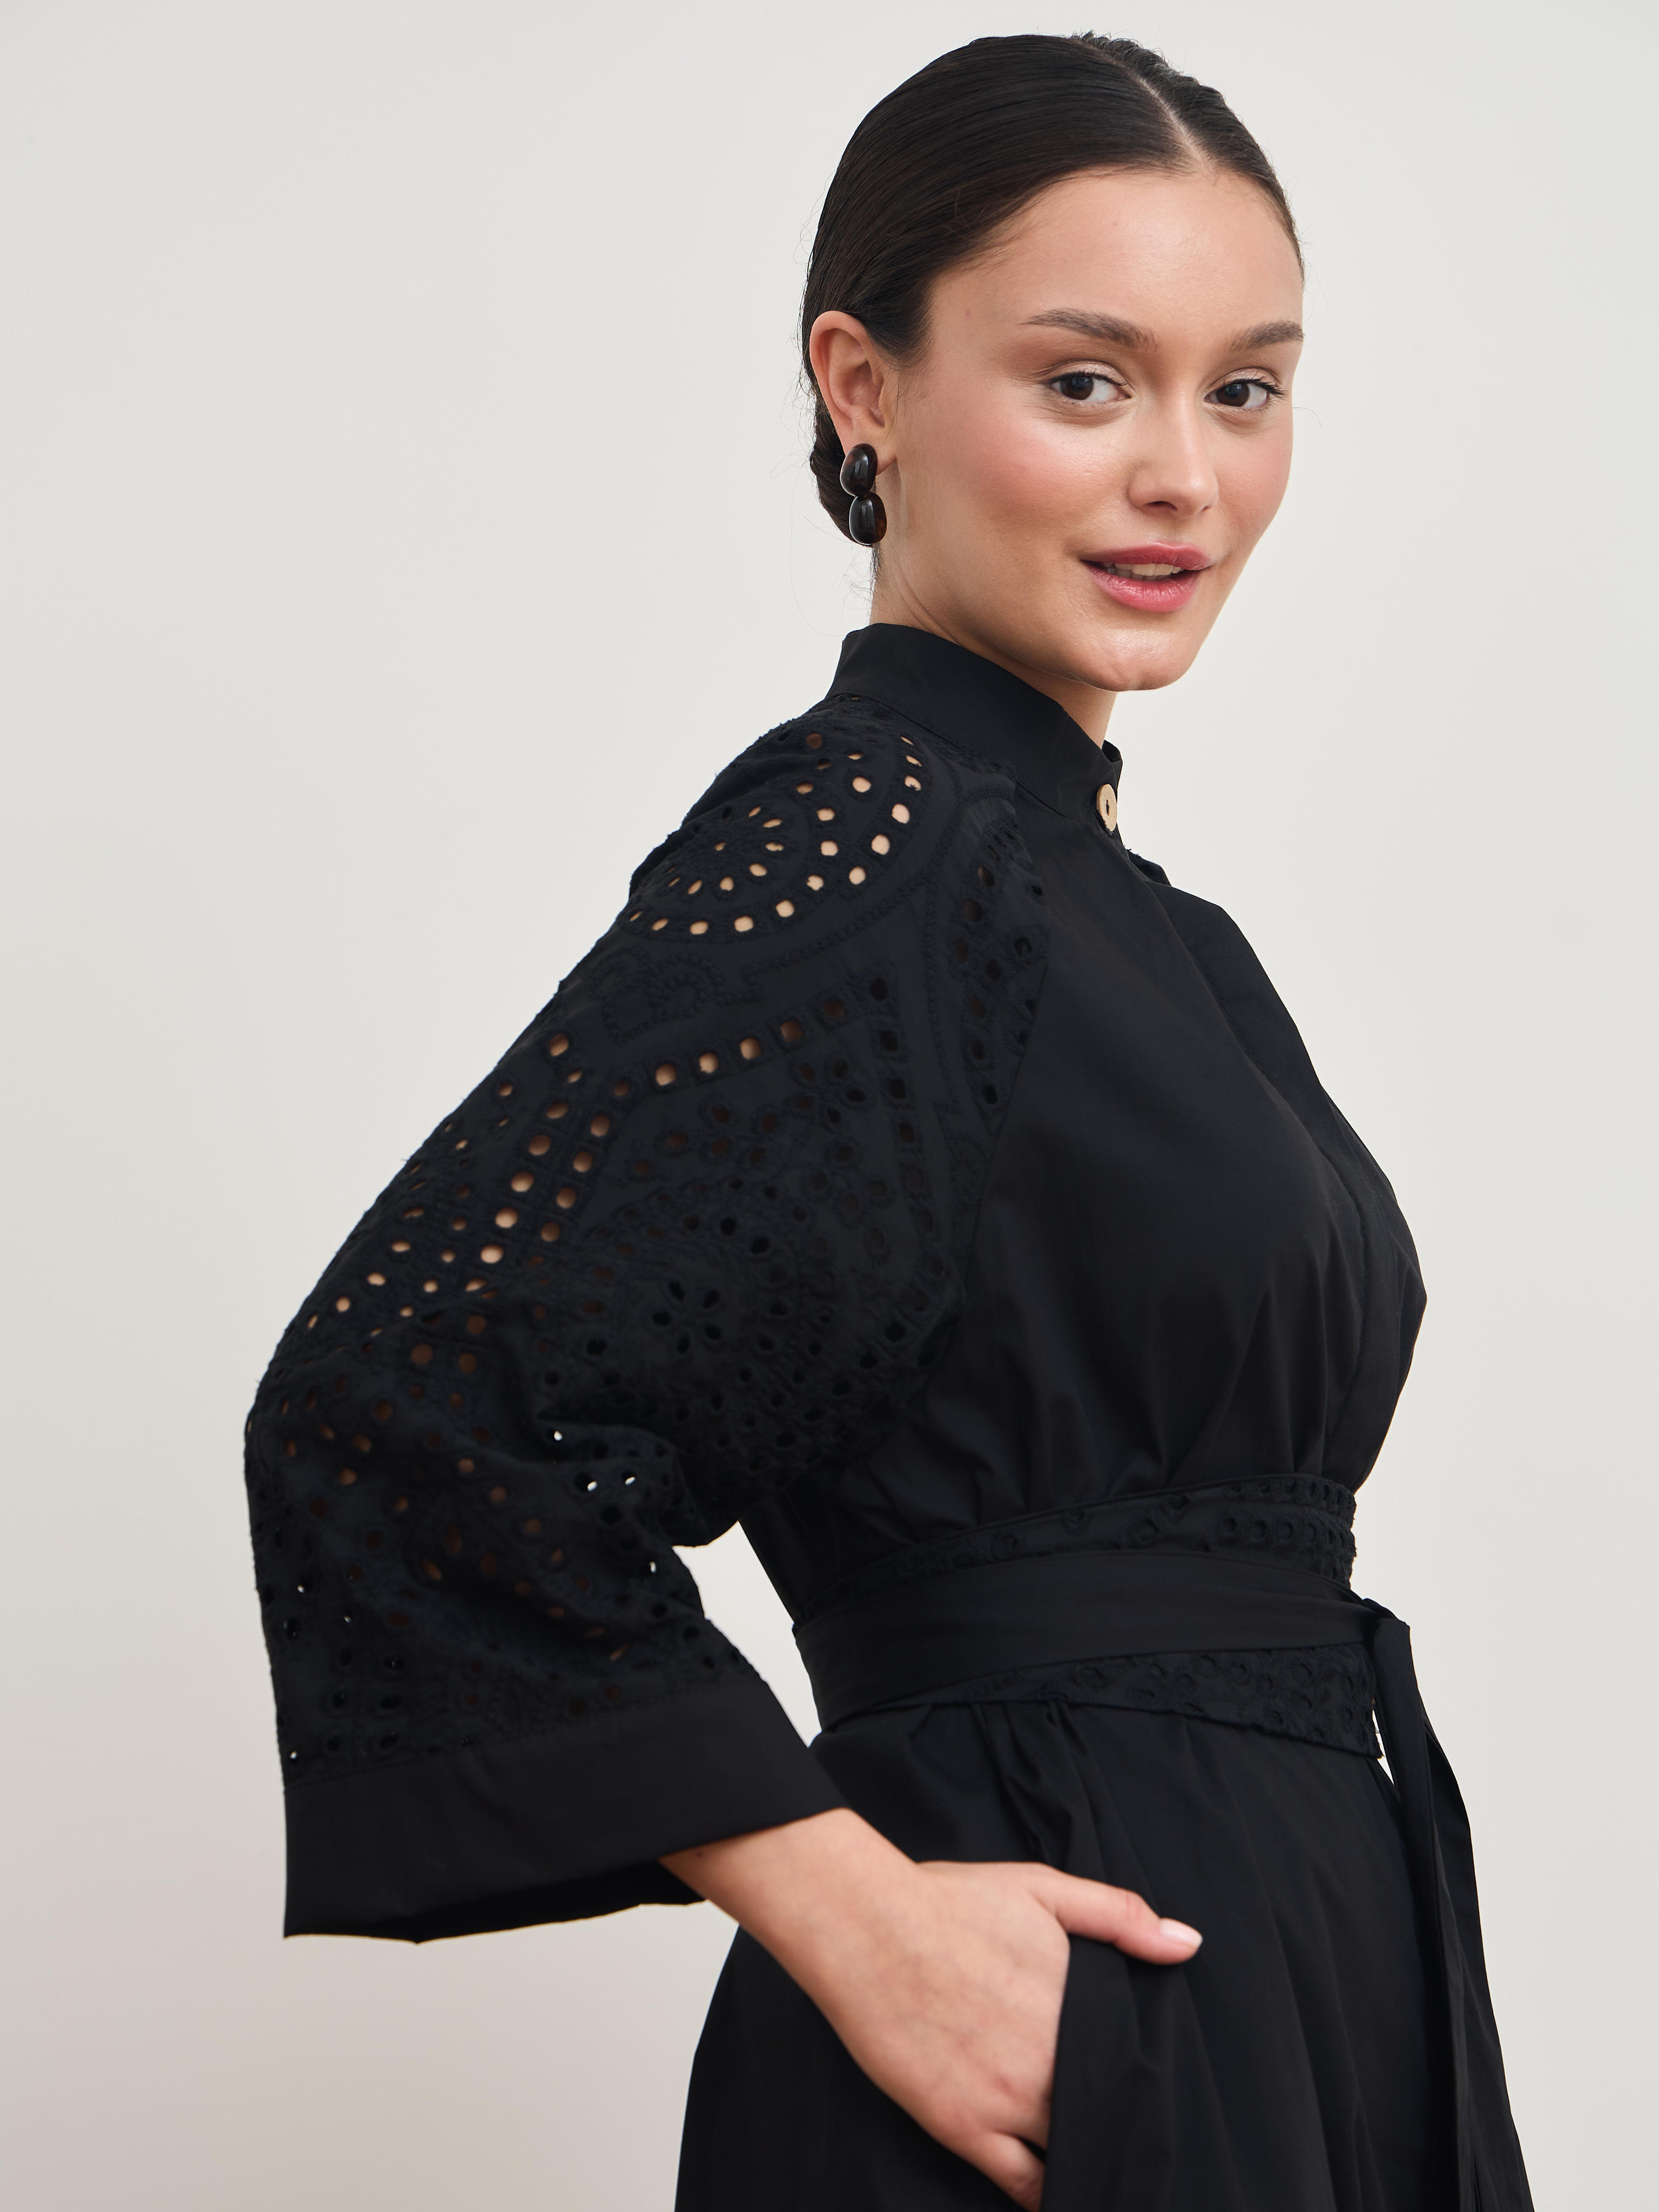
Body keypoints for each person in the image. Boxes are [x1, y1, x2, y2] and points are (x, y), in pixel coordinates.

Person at [244, 32, 1533, 2212]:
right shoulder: (869, 847)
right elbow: (398, 1412)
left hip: (1290, 1962)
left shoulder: (1145, 926)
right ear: (864, 387)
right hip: (1050, 2010)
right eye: (1085, 381)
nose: (1186, 478)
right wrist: (856, 1919)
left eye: (1245, 389)